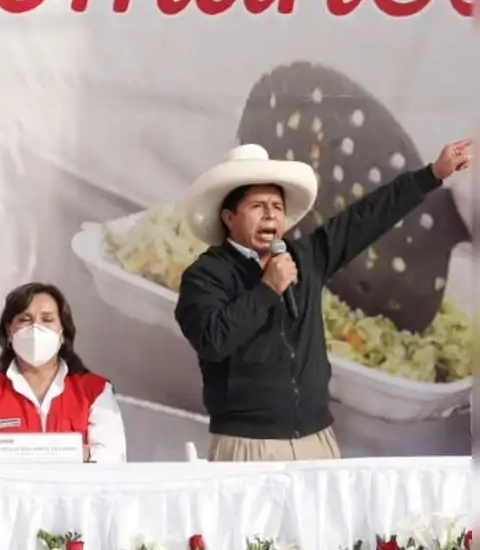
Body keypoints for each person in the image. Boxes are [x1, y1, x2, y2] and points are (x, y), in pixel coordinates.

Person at [174, 141, 472, 462]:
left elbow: (364, 218)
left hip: (316, 438)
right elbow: (213, 341)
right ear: (229, 218)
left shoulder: (304, 256)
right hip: (248, 441)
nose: (270, 216)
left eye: (276, 207)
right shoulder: (205, 276)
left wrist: (431, 175)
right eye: (258, 206)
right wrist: (266, 289)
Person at [0, 282, 127, 463]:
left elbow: (111, 461)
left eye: (47, 319)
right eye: (25, 319)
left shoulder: (95, 391)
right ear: (9, 331)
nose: (36, 328)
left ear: (62, 332)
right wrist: (77, 454)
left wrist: (6, 453)